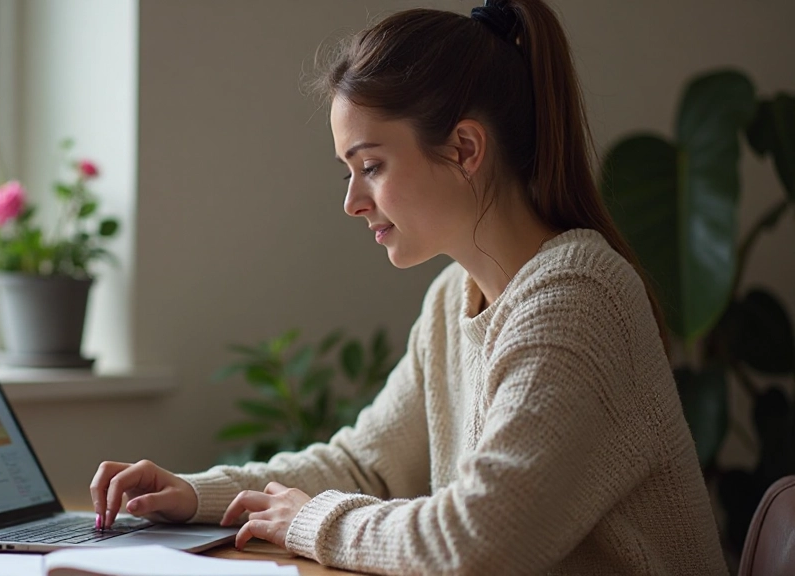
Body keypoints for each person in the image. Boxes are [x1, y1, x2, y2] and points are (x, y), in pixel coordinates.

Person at [90, 1, 728, 573]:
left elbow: (482, 543)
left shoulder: (577, 298)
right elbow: (367, 464)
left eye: (371, 166)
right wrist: (196, 493)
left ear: (465, 149)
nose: (351, 202)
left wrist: (310, 520)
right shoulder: (456, 298)